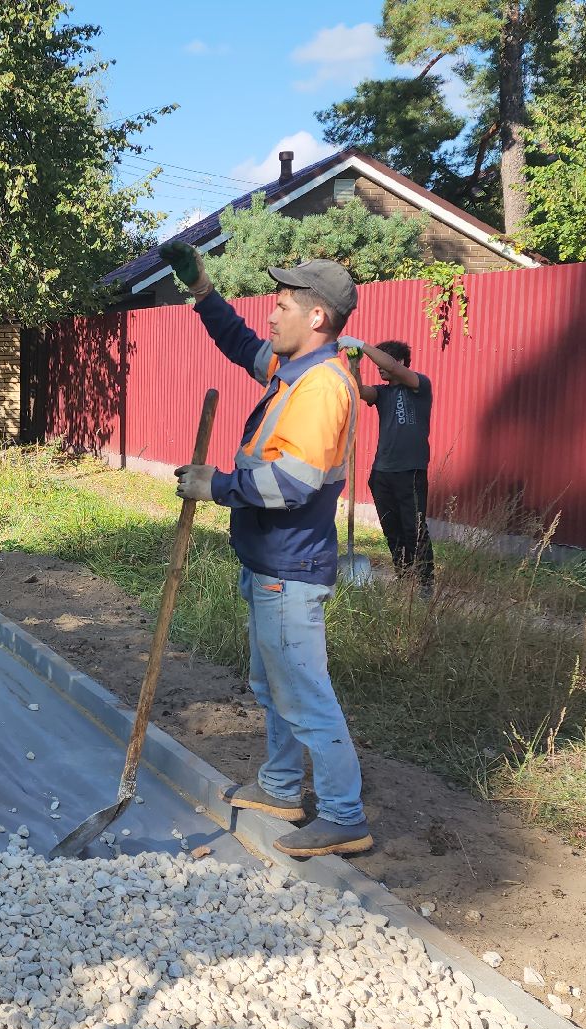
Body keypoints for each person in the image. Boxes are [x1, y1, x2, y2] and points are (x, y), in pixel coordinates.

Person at [160, 242, 374, 857]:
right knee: (275, 685)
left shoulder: (322, 389)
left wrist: (215, 485)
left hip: (291, 568)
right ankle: (281, 786)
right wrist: (202, 291)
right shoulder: (293, 375)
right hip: (269, 564)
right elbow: (236, 341)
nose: (271, 315)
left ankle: (343, 814)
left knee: (304, 694)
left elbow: (289, 484)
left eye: (282, 305)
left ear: (317, 319)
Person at [341, 337, 434, 594]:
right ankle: (403, 575)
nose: (379, 368)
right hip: (382, 472)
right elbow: (359, 391)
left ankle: (425, 582)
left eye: (383, 361)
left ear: (399, 361)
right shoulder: (382, 393)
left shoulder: (419, 385)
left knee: (414, 527)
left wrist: (362, 344)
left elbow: (392, 368)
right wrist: (355, 364)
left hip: (411, 470)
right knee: (391, 529)